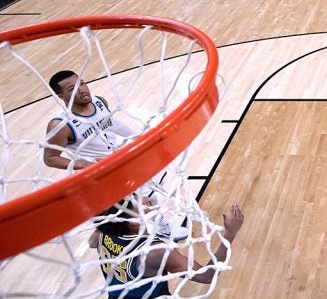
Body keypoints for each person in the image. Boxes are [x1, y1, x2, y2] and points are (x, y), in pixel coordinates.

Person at [44, 70, 188, 241]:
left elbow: (111, 124)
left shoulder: (99, 102)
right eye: (72, 89)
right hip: (99, 174)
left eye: (82, 83)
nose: (82, 89)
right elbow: (50, 158)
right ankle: (124, 241)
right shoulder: (60, 124)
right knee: (128, 210)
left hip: (119, 160)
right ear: (61, 96)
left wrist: (139, 138)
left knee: (148, 195)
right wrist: (82, 164)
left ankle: (159, 229)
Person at [94, 199, 244, 298]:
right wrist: (230, 234)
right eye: (136, 202)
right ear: (133, 223)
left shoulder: (102, 232)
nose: (140, 200)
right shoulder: (155, 251)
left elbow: (92, 241)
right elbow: (207, 276)